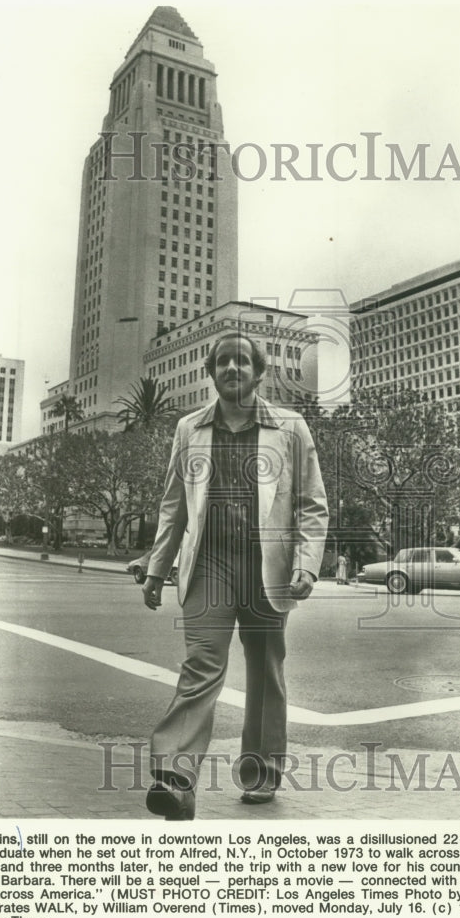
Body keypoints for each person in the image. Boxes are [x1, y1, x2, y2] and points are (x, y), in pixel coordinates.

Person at [141, 332, 328, 820]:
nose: (231, 369)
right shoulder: (190, 428)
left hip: (269, 567)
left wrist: (307, 564)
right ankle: (176, 778)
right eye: (222, 362)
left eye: (241, 362)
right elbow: (174, 505)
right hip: (210, 565)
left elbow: (312, 504)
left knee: (265, 672)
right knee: (202, 664)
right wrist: (158, 570)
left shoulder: (290, 427)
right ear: (212, 372)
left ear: (259, 372)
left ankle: (262, 773)